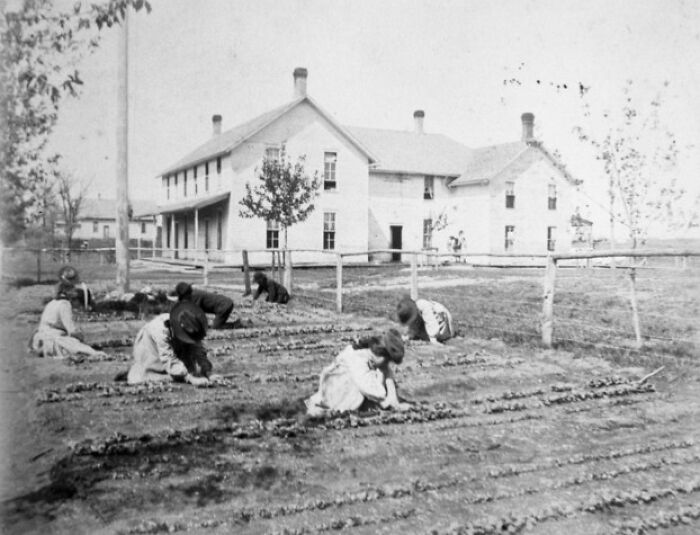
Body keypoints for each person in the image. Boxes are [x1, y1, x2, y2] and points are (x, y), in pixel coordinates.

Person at [305, 328, 411, 416]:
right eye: (387, 360)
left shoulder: (369, 355)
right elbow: (373, 392)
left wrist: (392, 396)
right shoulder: (358, 359)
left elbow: (387, 376)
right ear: (381, 355)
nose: (387, 364)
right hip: (336, 391)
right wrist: (385, 389)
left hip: (342, 387)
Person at [121, 301, 213, 386]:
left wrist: (207, 371)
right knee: (150, 375)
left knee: (187, 370)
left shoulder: (191, 326)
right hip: (150, 348)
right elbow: (168, 357)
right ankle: (140, 372)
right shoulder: (160, 329)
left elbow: (198, 348)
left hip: (174, 346)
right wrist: (189, 377)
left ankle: (178, 372)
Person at [29, 282, 107, 359]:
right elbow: (71, 331)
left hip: (39, 338)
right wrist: (80, 337)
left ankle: (42, 350)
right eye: (80, 305)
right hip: (52, 338)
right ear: (76, 300)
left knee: (71, 342)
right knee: (75, 345)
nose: (78, 308)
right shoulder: (65, 305)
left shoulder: (52, 302)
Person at [172, 282, 236, 329]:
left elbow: (195, 312)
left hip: (224, 306)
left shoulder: (195, 296)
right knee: (215, 326)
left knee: (216, 327)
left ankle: (237, 324)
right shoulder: (192, 294)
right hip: (224, 304)